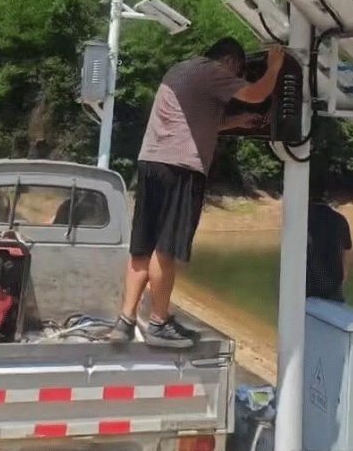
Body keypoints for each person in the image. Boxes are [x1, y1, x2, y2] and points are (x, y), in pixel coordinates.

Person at [110, 37, 285, 347]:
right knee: (167, 248)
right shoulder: (214, 71)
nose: (238, 77)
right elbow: (256, 94)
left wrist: (236, 121)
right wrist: (273, 69)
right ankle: (158, 323)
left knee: (143, 246)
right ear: (229, 62)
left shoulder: (184, 69)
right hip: (181, 168)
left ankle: (125, 321)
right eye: (239, 70)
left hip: (152, 162)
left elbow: (197, 121)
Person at [306, 165, 352, 303]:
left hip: (306, 288)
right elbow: (345, 262)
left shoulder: (301, 219)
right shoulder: (340, 220)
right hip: (333, 289)